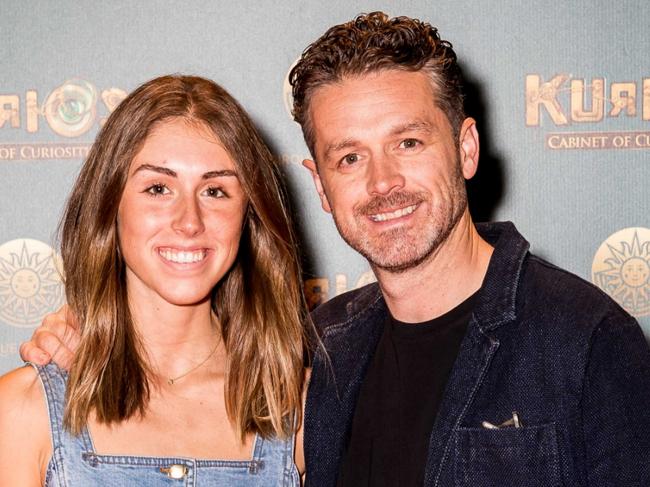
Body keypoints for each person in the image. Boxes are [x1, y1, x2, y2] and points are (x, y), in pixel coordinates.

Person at [21, 12, 650, 487]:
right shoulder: (317, 358)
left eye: (408, 143)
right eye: (350, 156)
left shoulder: (586, 342)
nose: (382, 184)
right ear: (319, 184)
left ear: (465, 148)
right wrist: (84, 330)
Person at [2, 75, 308, 486]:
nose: (189, 222)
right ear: (110, 206)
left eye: (215, 191)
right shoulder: (24, 409)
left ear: (248, 216)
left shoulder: (299, 407)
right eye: (158, 187)